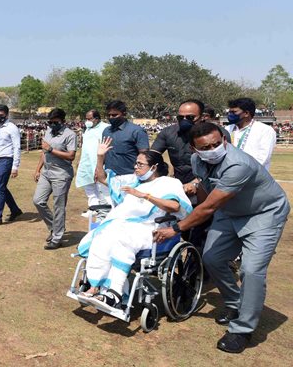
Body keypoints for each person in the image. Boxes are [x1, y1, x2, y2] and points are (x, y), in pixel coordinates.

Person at [154, 123, 289, 354]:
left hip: (264, 214)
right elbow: (206, 192)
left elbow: (209, 206)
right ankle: (236, 303)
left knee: (252, 270)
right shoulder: (198, 161)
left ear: (225, 140)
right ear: (195, 150)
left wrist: (177, 228)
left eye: (218, 143)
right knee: (212, 258)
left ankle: (242, 330)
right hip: (229, 212)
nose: (214, 149)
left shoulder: (238, 164)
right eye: (206, 147)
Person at [77, 137, 192, 309]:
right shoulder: (133, 181)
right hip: (125, 225)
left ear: (154, 167)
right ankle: (95, 287)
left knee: (122, 239)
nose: (135, 167)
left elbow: (174, 206)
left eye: (140, 164)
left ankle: (114, 292)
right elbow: (101, 178)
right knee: (102, 236)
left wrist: (145, 196)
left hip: (152, 228)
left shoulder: (170, 183)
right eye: (136, 164)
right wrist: (100, 157)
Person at [151, 100, 230, 248]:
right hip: (181, 192)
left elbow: (220, 166)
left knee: (204, 235)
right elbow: (152, 157)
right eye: (181, 118)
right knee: (184, 233)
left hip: (209, 191)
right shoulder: (168, 133)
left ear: (202, 116)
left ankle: (207, 265)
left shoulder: (216, 135)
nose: (185, 121)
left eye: (190, 117)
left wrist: (196, 183)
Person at [33, 108, 77, 249]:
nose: (52, 124)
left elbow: (71, 156)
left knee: (58, 206)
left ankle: (57, 238)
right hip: (46, 172)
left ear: (63, 121)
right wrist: (38, 169)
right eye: (50, 122)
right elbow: (44, 152)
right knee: (38, 201)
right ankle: (54, 227)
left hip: (61, 174)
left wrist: (51, 149)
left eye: (55, 122)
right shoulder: (48, 131)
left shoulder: (70, 135)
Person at [0, 105, 22, 226]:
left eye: (1, 114)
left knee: (0, 189)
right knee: (1, 188)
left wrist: (15, 167)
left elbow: (17, 147)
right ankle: (15, 210)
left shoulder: (12, 128)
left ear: (6, 115)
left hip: (7, 160)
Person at [224, 98, 276, 170]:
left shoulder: (265, 130)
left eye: (234, 112)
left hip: (254, 175)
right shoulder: (227, 129)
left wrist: (242, 170)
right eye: (229, 112)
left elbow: (263, 157)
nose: (230, 114)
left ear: (246, 113)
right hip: (230, 172)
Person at [101, 100, 149, 175]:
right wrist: (99, 169)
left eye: (114, 115)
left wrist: (137, 175)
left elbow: (144, 156)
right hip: (109, 177)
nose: (111, 117)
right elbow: (103, 153)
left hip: (129, 176)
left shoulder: (137, 131)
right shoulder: (106, 131)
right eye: (109, 115)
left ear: (124, 114)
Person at [75, 109, 110, 212]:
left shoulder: (106, 128)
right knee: (89, 187)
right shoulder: (88, 129)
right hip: (86, 163)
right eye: (86, 119)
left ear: (97, 118)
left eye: (89, 119)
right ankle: (93, 208)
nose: (87, 121)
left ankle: (107, 209)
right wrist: (79, 162)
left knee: (103, 188)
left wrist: (99, 165)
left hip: (100, 162)